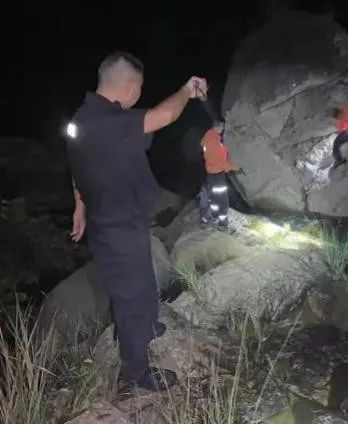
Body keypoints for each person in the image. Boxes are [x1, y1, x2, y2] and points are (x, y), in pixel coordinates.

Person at [65, 51, 207, 393]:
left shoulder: (84, 119)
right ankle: (137, 372)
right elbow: (164, 115)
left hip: (108, 220)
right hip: (118, 226)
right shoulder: (107, 121)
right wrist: (187, 90)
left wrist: (79, 208)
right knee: (134, 293)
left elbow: (76, 165)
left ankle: (142, 326)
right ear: (129, 86)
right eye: (139, 87)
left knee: (128, 283)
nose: (139, 95)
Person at [199, 119, 240, 230]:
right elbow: (218, 160)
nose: (222, 130)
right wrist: (233, 167)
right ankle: (222, 224)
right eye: (221, 127)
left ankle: (214, 216)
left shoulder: (208, 138)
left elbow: (214, 157)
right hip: (217, 176)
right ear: (216, 127)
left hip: (211, 175)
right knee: (223, 200)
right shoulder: (213, 140)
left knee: (215, 198)